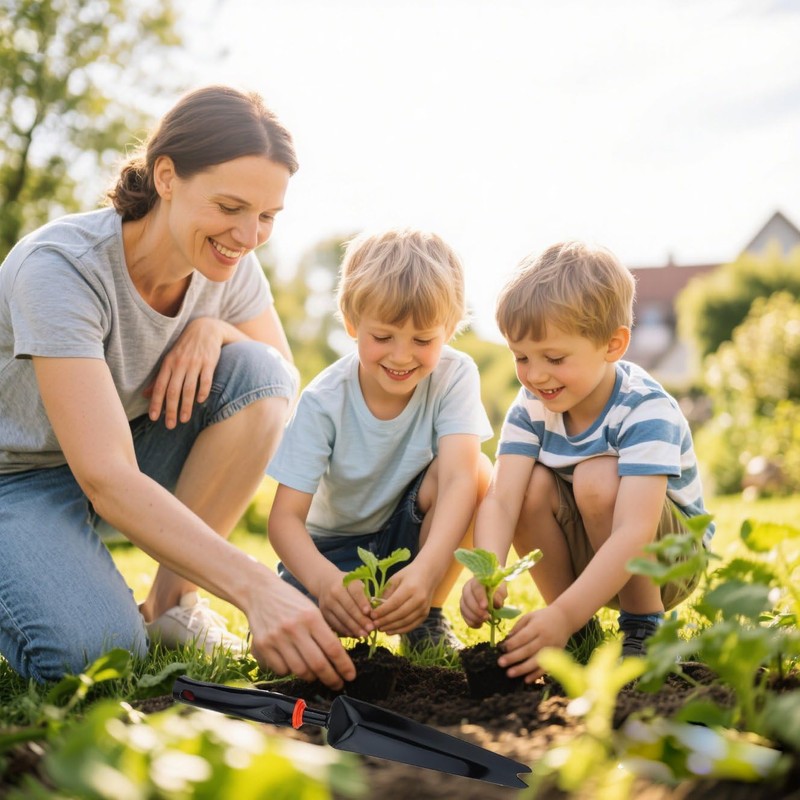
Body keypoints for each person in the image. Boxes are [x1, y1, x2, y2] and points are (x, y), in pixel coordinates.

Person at [0, 85, 355, 689]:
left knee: (260, 374)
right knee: (100, 658)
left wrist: (215, 330)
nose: (248, 235)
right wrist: (257, 589)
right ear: (166, 177)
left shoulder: (231, 266)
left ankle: (170, 605)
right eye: (230, 206)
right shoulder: (61, 268)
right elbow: (106, 475)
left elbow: (281, 384)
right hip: (17, 478)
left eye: (267, 216)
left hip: (125, 453)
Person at [460, 241, 714, 681]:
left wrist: (561, 614)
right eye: (521, 357)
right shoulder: (532, 405)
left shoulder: (645, 408)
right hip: (594, 553)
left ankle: (644, 629)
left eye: (554, 358)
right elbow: (502, 499)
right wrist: (488, 570)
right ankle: (579, 634)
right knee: (528, 486)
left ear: (613, 345)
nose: (535, 375)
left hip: (667, 561)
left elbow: (635, 530)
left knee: (596, 477)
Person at [267, 228, 493, 653]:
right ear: (352, 323)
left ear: (449, 329)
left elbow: (460, 481)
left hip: (407, 537)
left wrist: (426, 571)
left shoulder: (454, 375)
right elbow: (284, 521)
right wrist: (326, 582)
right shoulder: (323, 401)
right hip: (329, 553)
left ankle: (426, 616)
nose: (401, 356)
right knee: (282, 651)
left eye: (423, 340)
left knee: (478, 471)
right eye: (383, 337)